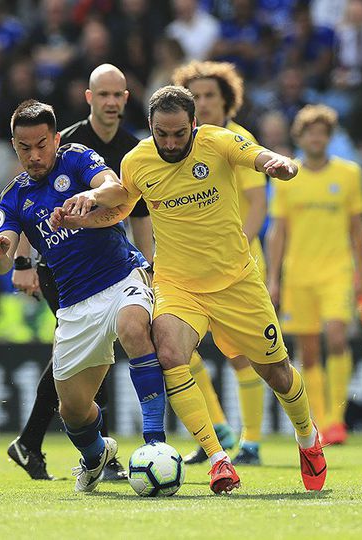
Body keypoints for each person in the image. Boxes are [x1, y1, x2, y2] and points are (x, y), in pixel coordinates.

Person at [55, 86, 327, 493]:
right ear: (150, 127)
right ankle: (218, 459)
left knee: (277, 373)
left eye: (179, 134)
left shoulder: (217, 141)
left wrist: (277, 163)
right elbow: (122, 208)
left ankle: (308, 438)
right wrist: (83, 220)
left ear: (194, 125)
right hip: (179, 285)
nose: (170, 142)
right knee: (169, 353)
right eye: (161, 134)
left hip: (236, 282)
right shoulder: (137, 161)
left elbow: (256, 155)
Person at [0, 100, 168, 493]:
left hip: (121, 275)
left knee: (134, 328)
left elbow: (113, 186)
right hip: (74, 305)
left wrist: (92, 197)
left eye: (41, 144)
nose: (34, 155)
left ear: (55, 138)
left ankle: (156, 443)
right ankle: (95, 454)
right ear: (14, 146)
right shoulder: (12, 198)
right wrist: (2, 256)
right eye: (24, 148)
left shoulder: (77, 158)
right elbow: (4, 260)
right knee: (72, 410)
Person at [171, 60, 268, 465]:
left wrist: (234, 249)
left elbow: (259, 206)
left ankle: (252, 442)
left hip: (235, 265)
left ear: (228, 99)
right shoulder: (179, 144)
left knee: (242, 356)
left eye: (211, 95)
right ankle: (216, 429)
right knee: (179, 350)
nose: (205, 103)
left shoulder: (236, 139)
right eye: (197, 96)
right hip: (191, 270)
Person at [266, 104, 362, 446]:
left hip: (336, 270)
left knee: (337, 337)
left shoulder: (349, 174)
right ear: (300, 136)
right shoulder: (286, 176)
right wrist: (274, 278)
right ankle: (320, 421)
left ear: (329, 137)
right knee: (308, 351)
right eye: (311, 132)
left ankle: (337, 419)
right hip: (299, 274)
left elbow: (357, 230)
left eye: (323, 133)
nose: (317, 138)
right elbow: (278, 232)